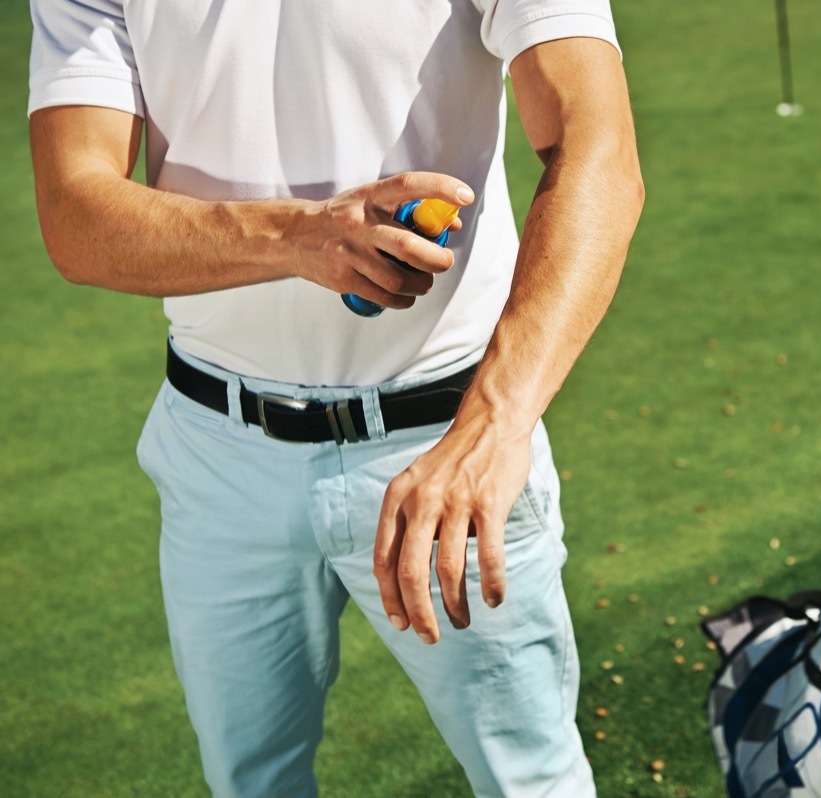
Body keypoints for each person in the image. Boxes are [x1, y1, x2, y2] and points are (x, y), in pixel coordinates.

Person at [28, 1, 643, 795]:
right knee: (253, 784)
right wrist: (300, 235)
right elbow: (76, 212)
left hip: (445, 442)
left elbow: (599, 147)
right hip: (219, 456)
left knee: (531, 781)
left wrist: (497, 421)